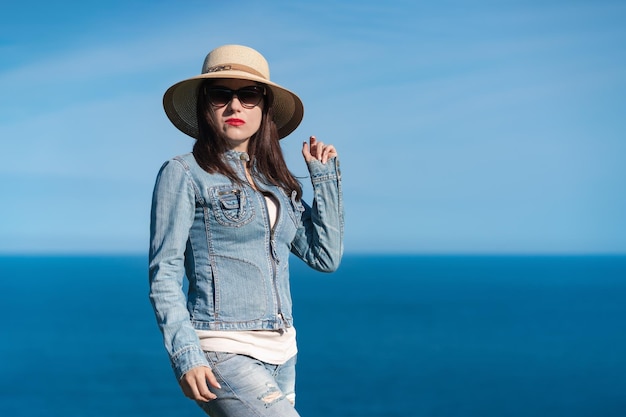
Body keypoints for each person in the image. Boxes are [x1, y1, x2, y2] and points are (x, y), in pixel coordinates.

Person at [148, 44, 344, 417]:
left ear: (265, 107)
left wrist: (325, 179)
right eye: (221, 94)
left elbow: (326, 256)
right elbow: (164, 273)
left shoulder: (275, 182)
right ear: (205, 106)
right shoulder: (183, 173)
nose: (235, 106)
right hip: (223, 349)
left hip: (284, 351)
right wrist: (186, 354)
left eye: (248, 94)